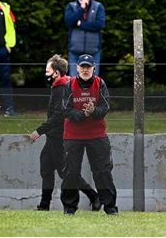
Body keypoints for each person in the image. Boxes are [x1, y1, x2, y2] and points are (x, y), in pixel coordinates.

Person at [29, 54, 100, 211]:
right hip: (52, 137)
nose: (46, 74)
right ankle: (44, 205)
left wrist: (39, 131)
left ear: (56, 72)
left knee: (66, 173)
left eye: (48, 71)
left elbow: (59, 115)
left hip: (60, 137)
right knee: (46, 169)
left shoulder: (62, 88)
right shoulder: (58, 86)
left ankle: (94, 196)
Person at [60, 54, 118, 215]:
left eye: (88, 67)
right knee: (71, 172)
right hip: (73, 135)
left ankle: (110, 208)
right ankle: (69, 208)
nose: (85, 69)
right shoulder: (69, 84)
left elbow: (105, 107)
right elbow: (66, 109)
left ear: (94, 68)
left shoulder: (100, 84)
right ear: (77, 68)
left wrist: (94, 111)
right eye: (82, 66)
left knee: (103, 171)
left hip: (97, 134)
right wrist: (83, 114)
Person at [64, 0, 106, 76]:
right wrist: (81, 9)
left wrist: (80, 25)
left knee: (93, 81)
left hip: (93, 51)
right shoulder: (71, 6)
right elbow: (69, 22)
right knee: (74, 82)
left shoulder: (98, 6)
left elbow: (100, 24)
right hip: (75, 52)